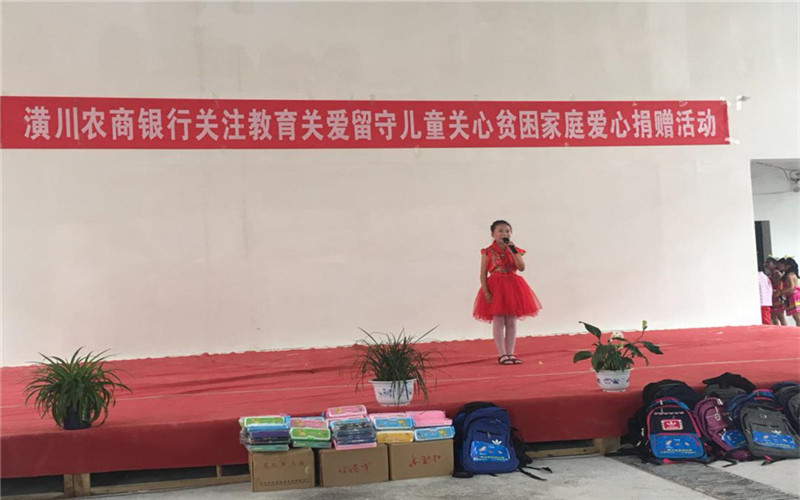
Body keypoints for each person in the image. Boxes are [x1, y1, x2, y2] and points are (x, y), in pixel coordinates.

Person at [473, 220, 542, 365]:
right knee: (498, 320)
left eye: (507, 231)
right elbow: (483, 273)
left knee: (511, 321)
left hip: (512, 286)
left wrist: (513, 251)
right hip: (496, 287)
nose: (504, 233)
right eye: (500, 231)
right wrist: (486, 292)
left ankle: (510, 353)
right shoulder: (487, 251)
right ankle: (502, 354)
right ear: (492, 234)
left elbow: (521, 268)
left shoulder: (515, 249)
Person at [778, 257, 800, 326]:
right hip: (796, 295)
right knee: (797, 317)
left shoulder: (789, 275)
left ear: (788, 266)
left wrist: (780, 291)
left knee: (797, 317)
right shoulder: (793, 274)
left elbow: (791, 287)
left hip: (793, 296)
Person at [766, 257, 787, 325]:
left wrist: (779, 291)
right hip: (773, 295)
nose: (766, 264)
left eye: (768, 262)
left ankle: (785, 329)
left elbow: (782, 283)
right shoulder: (770, 273)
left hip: (777, 295)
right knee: (773, 316)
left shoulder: (777, 273)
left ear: (774, 264)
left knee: (780, 315)